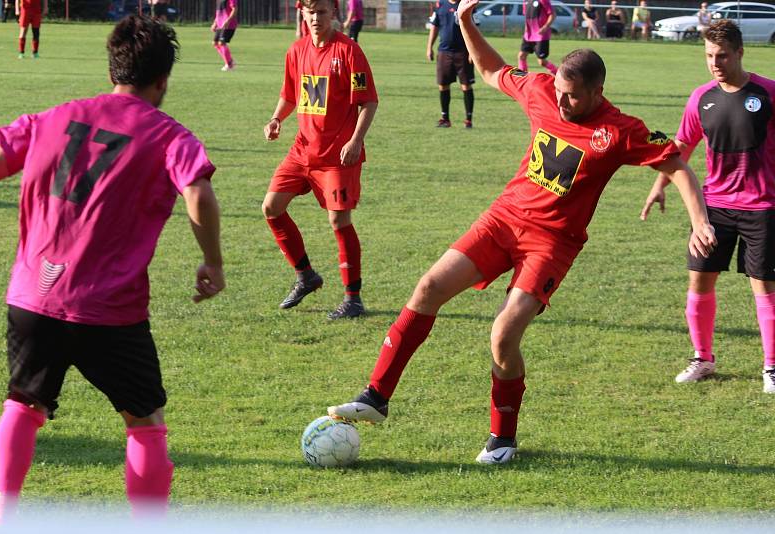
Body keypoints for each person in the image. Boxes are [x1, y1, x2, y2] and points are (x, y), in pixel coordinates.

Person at [327, 0, 717, 464]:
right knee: (428, 287)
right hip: (504, 219)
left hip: (552, 244)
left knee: (503, 335)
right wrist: (467, 23)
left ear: (597, 92)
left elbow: (677, 166)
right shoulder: (542, 90)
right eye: (560, 91)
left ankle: (502, 439)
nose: (562, 101)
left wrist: (700, 221)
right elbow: (491, 70)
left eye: (573, 96)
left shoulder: (619, 130)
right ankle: (376, 396)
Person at [0, 15, 225, 524]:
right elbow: (198, 192)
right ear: (163, 81)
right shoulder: (167, 134)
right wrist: (212, 262)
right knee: (144, 422)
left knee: (22, 405)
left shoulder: (54, 116)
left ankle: (2, 516)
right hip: (108, 309)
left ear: (113, 67)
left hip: (33, 297)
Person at [640, 20, 775, 393]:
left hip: (762, 206)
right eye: (709, 56)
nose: (715, 63)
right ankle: (703, 357)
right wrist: (659, 186)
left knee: (763, 288)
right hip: (713, 208)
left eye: (722, 56)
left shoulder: (768, 93)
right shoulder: (702, 97)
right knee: (699, 280)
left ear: (740, 53)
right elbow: (681, 149)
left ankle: (772, 367)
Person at [263, 0, 378, 319]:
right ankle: (306, 276)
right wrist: (276, 119)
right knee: (271, 208)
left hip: (338, 156)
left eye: (322, 12)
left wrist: (356, 140)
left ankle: (353, 299)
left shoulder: (348, 51)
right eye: (310, 12)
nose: (316, 18)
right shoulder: (296, 51)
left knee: (339, 221)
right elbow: (290, 95)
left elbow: (368, 102)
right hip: (302, 151)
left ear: (334, 14)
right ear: (303, 13)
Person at [427, 0, 475, 128]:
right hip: (444, 51)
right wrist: (429, 47)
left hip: (463, 52)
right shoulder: (440, 5)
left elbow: (473, 29)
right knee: (443, 85)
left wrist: (472, 51)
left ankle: (468, 119)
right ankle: (445, 118)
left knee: (466, 85)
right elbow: (434, 27)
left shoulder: (465, 4)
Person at [518, 0, 557, 76]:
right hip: (528, 35)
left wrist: (545, 27)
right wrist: (526, 30)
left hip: (540, 36)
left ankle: (558, 73)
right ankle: (521, 76)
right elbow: (527, 17)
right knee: (521, 55)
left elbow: (552, 14)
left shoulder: (543, 1)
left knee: (541, 62)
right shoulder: (525, 1)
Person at [211, 0, 238, 71]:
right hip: (220, 24)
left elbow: (234, 9)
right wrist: (215, 23)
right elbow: (218, 12)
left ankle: (229, 65)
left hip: (229, 25)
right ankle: (230, 61)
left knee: (221, 43)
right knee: (215, 43)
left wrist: (228, 21)